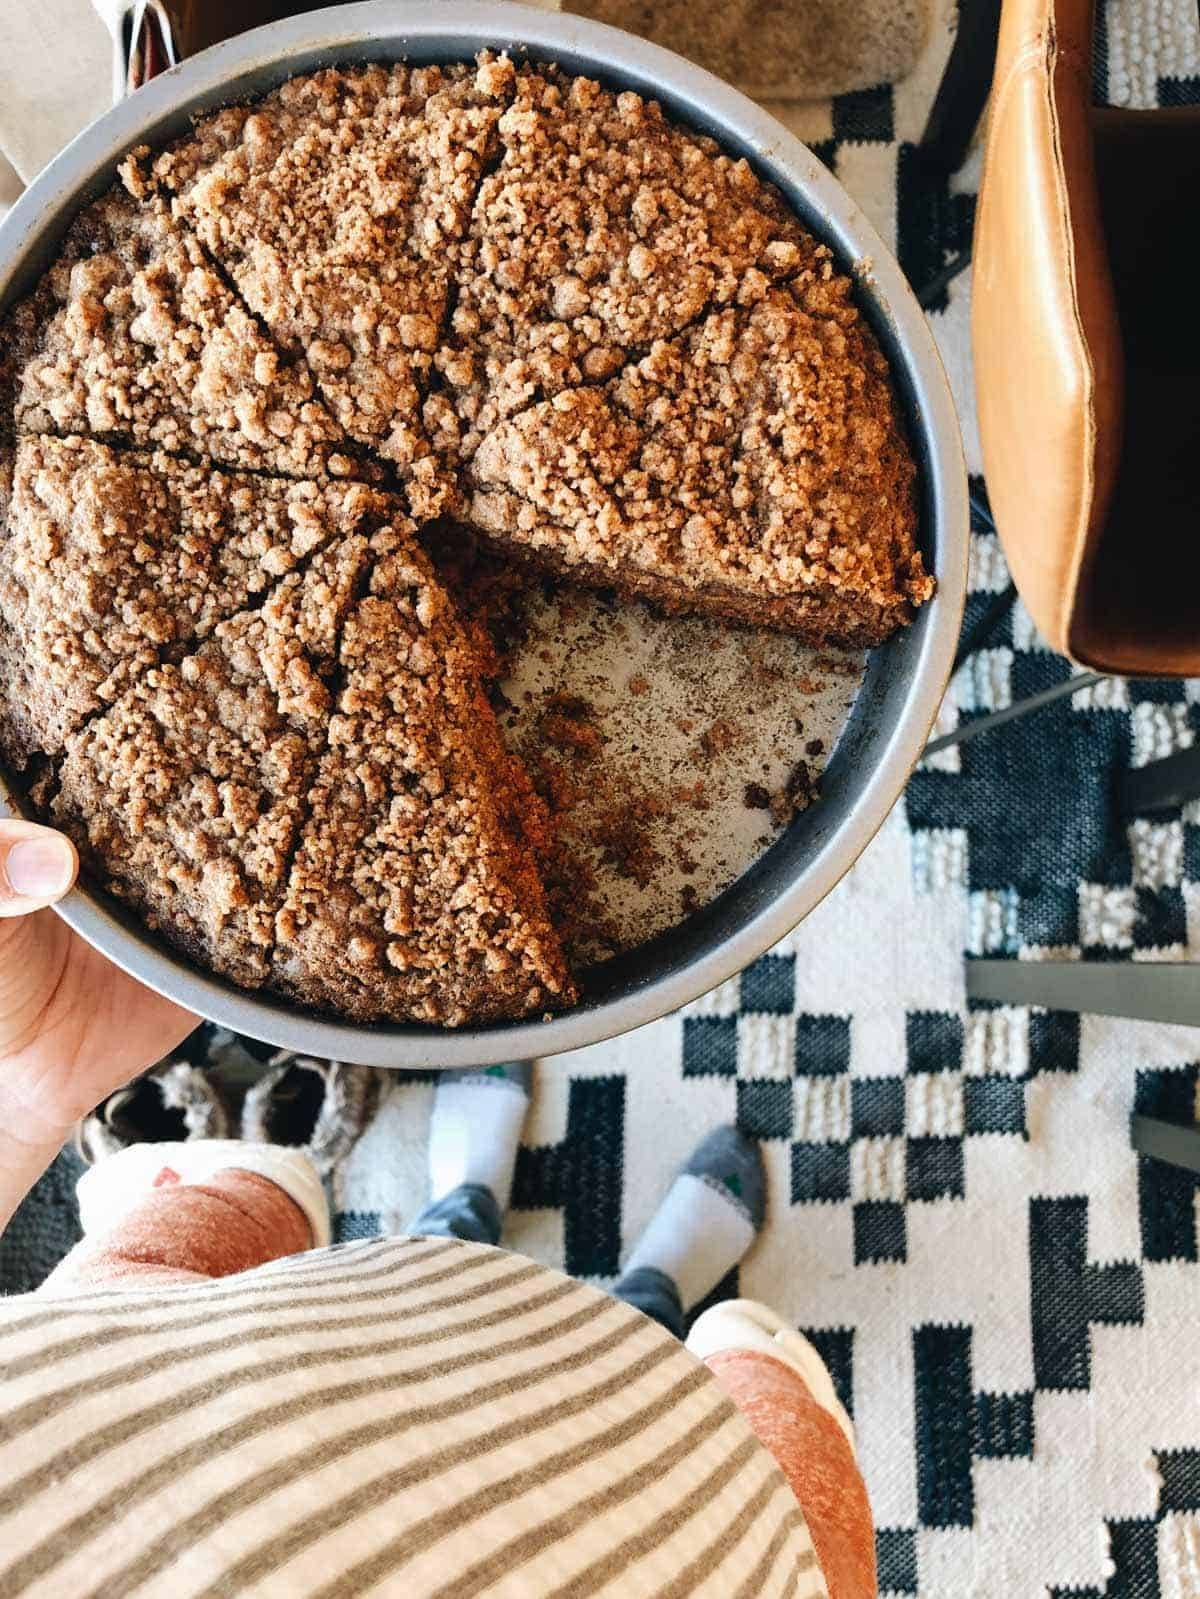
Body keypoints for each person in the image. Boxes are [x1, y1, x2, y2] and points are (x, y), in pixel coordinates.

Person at [0, 817, 877, 1598]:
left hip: (139, 1386)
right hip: (662, 1549)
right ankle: (653, 1302)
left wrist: (22, 1098)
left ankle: (460, 1214)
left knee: (359, 1271)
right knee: (745, 1402)